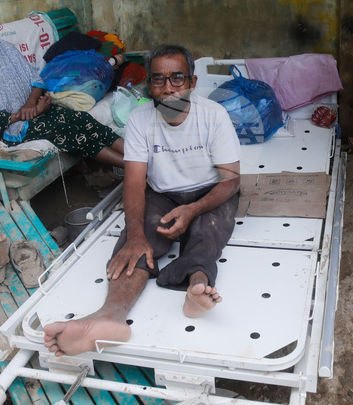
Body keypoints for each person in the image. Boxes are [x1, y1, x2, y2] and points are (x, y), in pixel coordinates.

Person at [43, 44, 241, 356]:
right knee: (137, 245)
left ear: (192, 82)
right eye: (159, 80)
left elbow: (230, 180)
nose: (169, 88)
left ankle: (196, 289)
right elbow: (135, 182)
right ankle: (109, 317)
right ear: (148, 86)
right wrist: (135, 235)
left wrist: (192, 209)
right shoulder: (139, 119)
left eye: (178, 79)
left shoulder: (214, 116)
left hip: (209, 191)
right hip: (162, 192)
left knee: (207, 232)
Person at [0, 5, 125, 167]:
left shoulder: (5, 49)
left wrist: (32, 103)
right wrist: (31, 112)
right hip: (8, 128)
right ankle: (134, 168)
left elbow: (35, 80)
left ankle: (138, 157)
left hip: (33, 110)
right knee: (67, 130)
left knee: (82, 119)